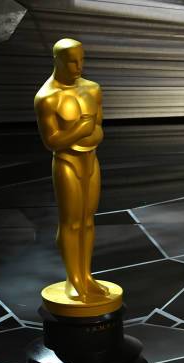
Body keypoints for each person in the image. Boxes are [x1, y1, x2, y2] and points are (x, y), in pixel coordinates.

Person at [34, 38, 109, 302]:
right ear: (57, 60)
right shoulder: (47, 97)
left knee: (88, 220)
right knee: (71, 221)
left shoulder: (92, 89)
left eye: (81, 60)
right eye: (71, 61)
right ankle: (73, 278)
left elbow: (99, 129)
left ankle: (86, 275)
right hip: (66, 162)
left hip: (90, 160)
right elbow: (51, 141)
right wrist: (81, 129)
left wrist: (85, 132)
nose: (78, 66)